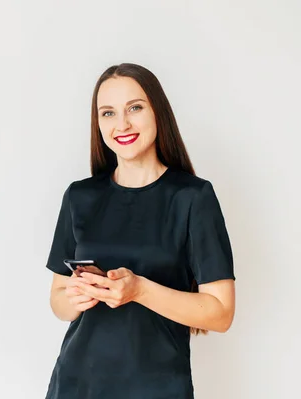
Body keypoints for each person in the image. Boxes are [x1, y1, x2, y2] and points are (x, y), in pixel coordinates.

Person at [44, 63, 236, 399]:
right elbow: (58, 301)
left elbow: (221, 314)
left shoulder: (193, 197)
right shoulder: (80, 196)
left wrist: (139, 290)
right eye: (108, 113)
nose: (122, 124)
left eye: (134, 107)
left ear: (157, 111)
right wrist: (75, 297)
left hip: (157, 389)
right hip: (76, 386)